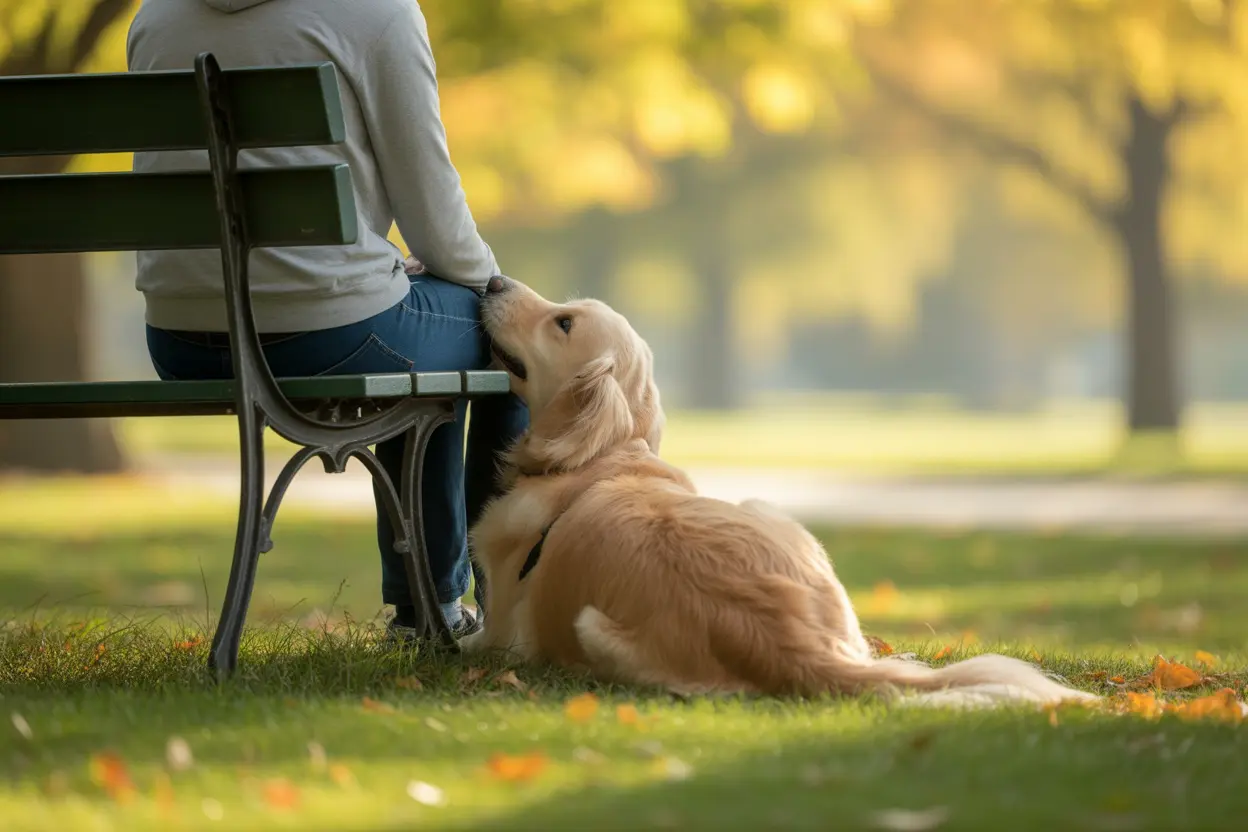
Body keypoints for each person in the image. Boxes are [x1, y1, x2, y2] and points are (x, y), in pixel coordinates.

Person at [127, 0, 528, 638]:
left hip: (181, 338)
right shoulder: (377, 13)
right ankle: (488, 609)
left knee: (427, 325)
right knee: (505, 339)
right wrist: (500, 293)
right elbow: (434, 220)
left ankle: (433, 606)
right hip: (327, 334)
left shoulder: (156, 16)